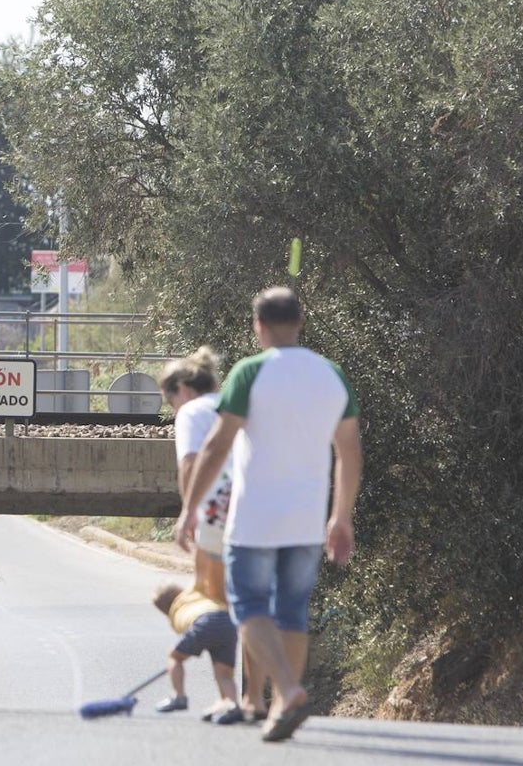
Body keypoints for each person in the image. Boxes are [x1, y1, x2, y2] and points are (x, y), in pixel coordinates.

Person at [177, 286, 362, 743]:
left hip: (255, 517)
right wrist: (341, 516)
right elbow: (350, 451)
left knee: (248, 606)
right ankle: (281, 709)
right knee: (292, 611)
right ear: (301, 322)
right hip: (306, 518)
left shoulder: (249, 372)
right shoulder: (331, 375)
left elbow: (218, 445)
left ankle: (287, 689)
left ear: (258, 326)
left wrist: (190, 508)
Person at [159, 347, 268, 720]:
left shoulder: (192, 411)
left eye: (169, 399)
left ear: (183, 389)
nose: (172, 408)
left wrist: (186, 512)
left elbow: (191, 463)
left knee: (214, 603)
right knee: (251, 606)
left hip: (217, 515)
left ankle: (227, 698)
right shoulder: (234, 402)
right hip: (259, 511)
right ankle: (254, 697)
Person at [150, 582, 243, 724]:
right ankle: (232, 704)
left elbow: (192, 641)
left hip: (204, 622)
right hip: (227, 621)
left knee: (175, 657)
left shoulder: (176, 614)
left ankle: (178, 696)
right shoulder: (195, 594)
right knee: (224, 674)